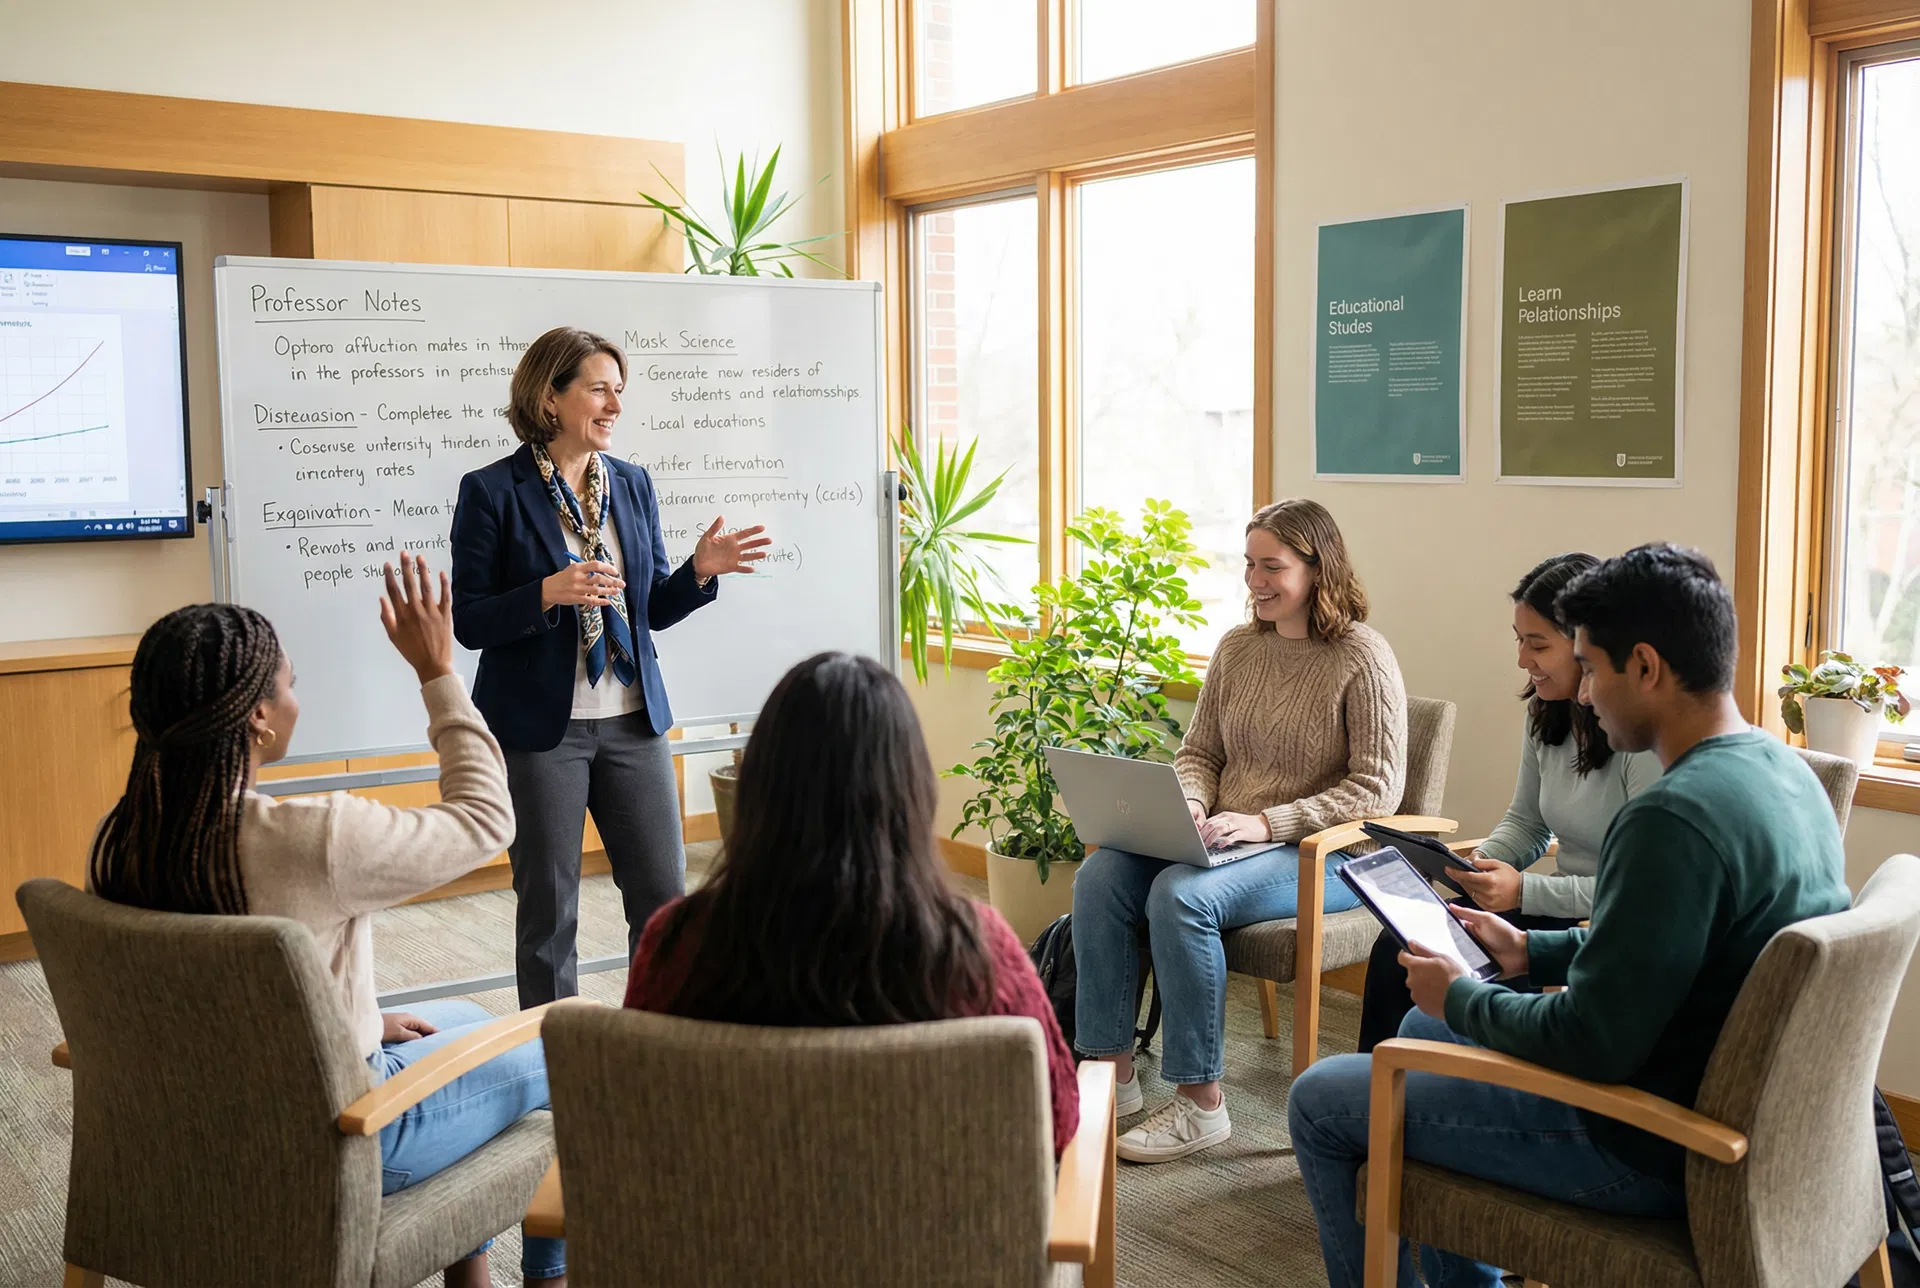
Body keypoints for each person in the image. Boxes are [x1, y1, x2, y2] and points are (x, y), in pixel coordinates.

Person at [1289, 543, 1853, 1288]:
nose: (1583, 695)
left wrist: (1462, 994)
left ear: (1645, 666)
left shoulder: (1671, 818)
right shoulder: (1783, 771)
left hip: (1651, 1140)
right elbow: (1673, 949)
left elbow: (1592, 1043)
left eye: (1591, 666)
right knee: (1421, 1031)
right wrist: (1530, 953)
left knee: (1321, 1098)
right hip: (1747, 1113)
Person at [88, 555, 563, 1288]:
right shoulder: (311, 840)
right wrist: (437, 669)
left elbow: (221, 992)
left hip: (194, 1127)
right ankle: (550, 1279)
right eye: (290, 686)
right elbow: (485, 820)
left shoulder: (121, 838)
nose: (295, 700)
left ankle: (470, 1275)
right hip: (342, 1139)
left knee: (462, 1016)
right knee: (559, 1044)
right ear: (256, 715)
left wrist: (356, 1017)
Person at [624, 651, 1079, 1157]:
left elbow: (637, 1114)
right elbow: (1057, 1120)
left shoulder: (677, 942)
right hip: (924, 1233)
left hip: (725, 1229)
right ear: (910, 791)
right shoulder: (973, 950)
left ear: (760, 786)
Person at [1072, 498, 1407, 1164]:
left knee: (1180, 894)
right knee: (1102, 874)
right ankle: (1114, 1070)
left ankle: (1201, 1105)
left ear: (1318, 568)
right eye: (1249, 564)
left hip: (1326, 855)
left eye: (1272, 567)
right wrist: (1192, 802)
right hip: (1227, 840)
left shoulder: (1362, 658)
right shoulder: (1235, 648)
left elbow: (1376, 790)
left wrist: (1265, 820)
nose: (1255, 580)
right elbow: (1199, 753)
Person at [450, 326, 769, 1010]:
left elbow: (651, 608)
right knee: (549, 910)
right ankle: (553, 1059)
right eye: (599, 389)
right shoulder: (491, 492)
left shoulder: (631, 484)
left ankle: (656, 1040)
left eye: (619, 391)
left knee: (663, 901)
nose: (615, 405)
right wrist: (545, 593)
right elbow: (470, 620)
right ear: (550, 397)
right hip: (542, 733)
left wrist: (700, 571)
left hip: (634, 723)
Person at [1355, 553, 1662, 1050]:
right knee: (1400, 948)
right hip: (1553, 904)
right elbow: (1527, 819)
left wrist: (1523, 893)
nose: (1523, 659)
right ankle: (1378, 1098)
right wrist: (1481, 864)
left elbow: (1636, 896)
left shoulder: (1640, 737)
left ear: (1588, 645)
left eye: (1537, 644)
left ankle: (1425, 1094)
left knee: (1451, 984)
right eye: (1519, 640)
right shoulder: (1547, 712)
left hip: (1597, 920)